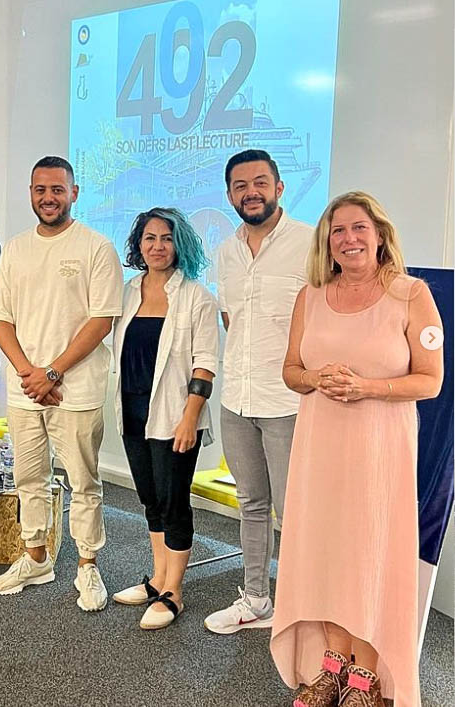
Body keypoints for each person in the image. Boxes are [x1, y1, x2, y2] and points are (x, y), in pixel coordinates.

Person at [271, 191, 443, 707]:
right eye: (338, 231)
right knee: (324, 553)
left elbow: (431, 381)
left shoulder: (411, 295)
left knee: (368, 556)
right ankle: (333, 665)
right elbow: (291, 372)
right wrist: (315, 378)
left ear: (380, 234)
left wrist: (369, 387)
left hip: (379, 453)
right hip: (319, 449)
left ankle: (366, 675)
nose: (348, 239)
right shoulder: (310, 297)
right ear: (327, 243)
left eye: (358, 227)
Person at [0, 155, 123, 611]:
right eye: (40, 190)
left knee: (83, 481)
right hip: (26, 389)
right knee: (29, 477)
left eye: (57, 190)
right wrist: (30, 372)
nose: (48, 198)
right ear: (31, 193)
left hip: (76, 389)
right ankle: (36, 558)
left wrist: (52, 372)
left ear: (74, 193)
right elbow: (1, 319)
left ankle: (88, 566)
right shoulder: (15, 249)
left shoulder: (96, 247)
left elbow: (101, 320)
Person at [205, 149, 313, 634]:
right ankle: (256, 599)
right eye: (240, 186)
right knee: (251, 503)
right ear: (230, 195)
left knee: (294, 512)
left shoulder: (310, 244)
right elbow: (232, 318)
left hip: (289, 403)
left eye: (260, 182)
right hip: (237, 399)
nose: (251, 192)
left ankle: (300, 606)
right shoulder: (226, 251)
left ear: (279, 187)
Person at [111, 207, 218, 629]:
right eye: (150, 238)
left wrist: (190, 418)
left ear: (181, 244)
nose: (158, 246)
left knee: (173, 502)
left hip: (175, 417)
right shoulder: (127, 292)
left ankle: (174, 591)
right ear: (138, 244)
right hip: (133, 411)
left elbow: (205, 365)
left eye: (167, 238)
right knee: (150, 498)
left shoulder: (196, 297)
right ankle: (158, 578)